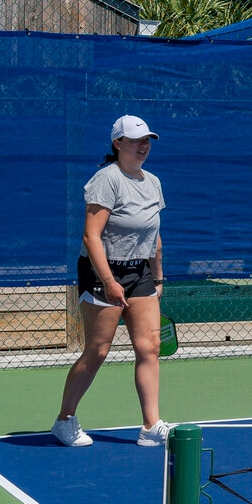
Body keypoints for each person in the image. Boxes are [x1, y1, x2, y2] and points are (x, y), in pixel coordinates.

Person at [53, 115, 171, 448]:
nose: (143, 145)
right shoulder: (106, 181)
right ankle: (64, 420)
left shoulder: (153, 182)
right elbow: (91, 236)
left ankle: (151, 426)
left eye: (147, 139)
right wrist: (108, 281)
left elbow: (155, 236)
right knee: (98, 351)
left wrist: (158, 278)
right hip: (102, 272)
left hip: (140, 274)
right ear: (117, 143)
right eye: (135, 140)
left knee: (150, 347)